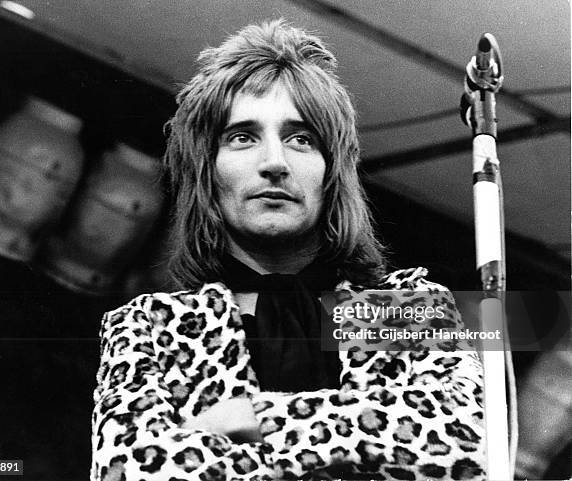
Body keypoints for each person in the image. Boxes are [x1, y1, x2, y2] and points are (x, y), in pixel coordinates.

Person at [91, 20, 485, 480]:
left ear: (332, 172)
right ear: (206, 173)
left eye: (302, 139)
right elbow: (133, 471)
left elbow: (465, 442)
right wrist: (359, 437)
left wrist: (259, 421)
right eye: (243, 137)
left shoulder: (396, 306)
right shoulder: (151, 326)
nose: (275, 162)